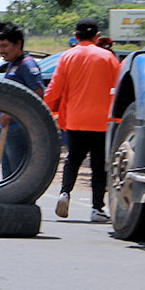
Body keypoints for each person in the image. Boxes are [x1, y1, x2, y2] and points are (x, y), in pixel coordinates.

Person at [44, 17, 121, 222]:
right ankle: (97, 208)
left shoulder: (67, 57)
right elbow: (119, 88)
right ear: (97, 36)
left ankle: (65, 193)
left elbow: (55, 88)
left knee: (73, 159)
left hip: (75, 120)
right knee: (99, 166)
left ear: (75, 36)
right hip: (103, 121)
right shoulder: (108, 57)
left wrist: (45, 108)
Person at [0, 21, 45, 180]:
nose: (1, 51)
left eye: (5, 46)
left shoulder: (27, 65)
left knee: (18, 177)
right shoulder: (12, 64)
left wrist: (12, 113)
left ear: (18, 44)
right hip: (7, 129)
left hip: (18, 128)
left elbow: (38, 94)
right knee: (7, 176)